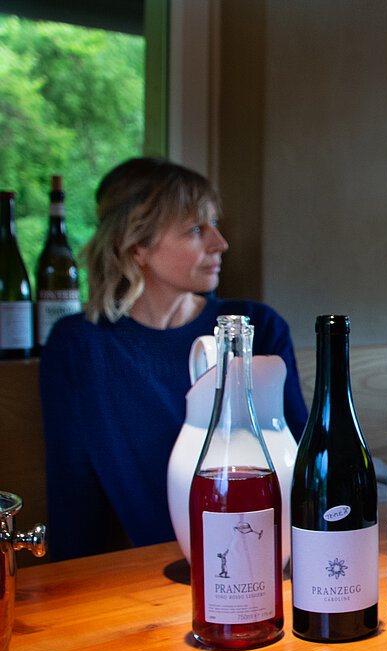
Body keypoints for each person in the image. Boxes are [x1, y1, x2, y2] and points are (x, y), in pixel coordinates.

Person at [39, 158, 308, 561]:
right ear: (137, 246)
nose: (220, 243)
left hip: (270, 566)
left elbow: (308, 468)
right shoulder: (80, 347)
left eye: (214, 225)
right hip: (151, 578)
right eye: (197, 230)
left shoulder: (256, 328)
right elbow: (73, 499)